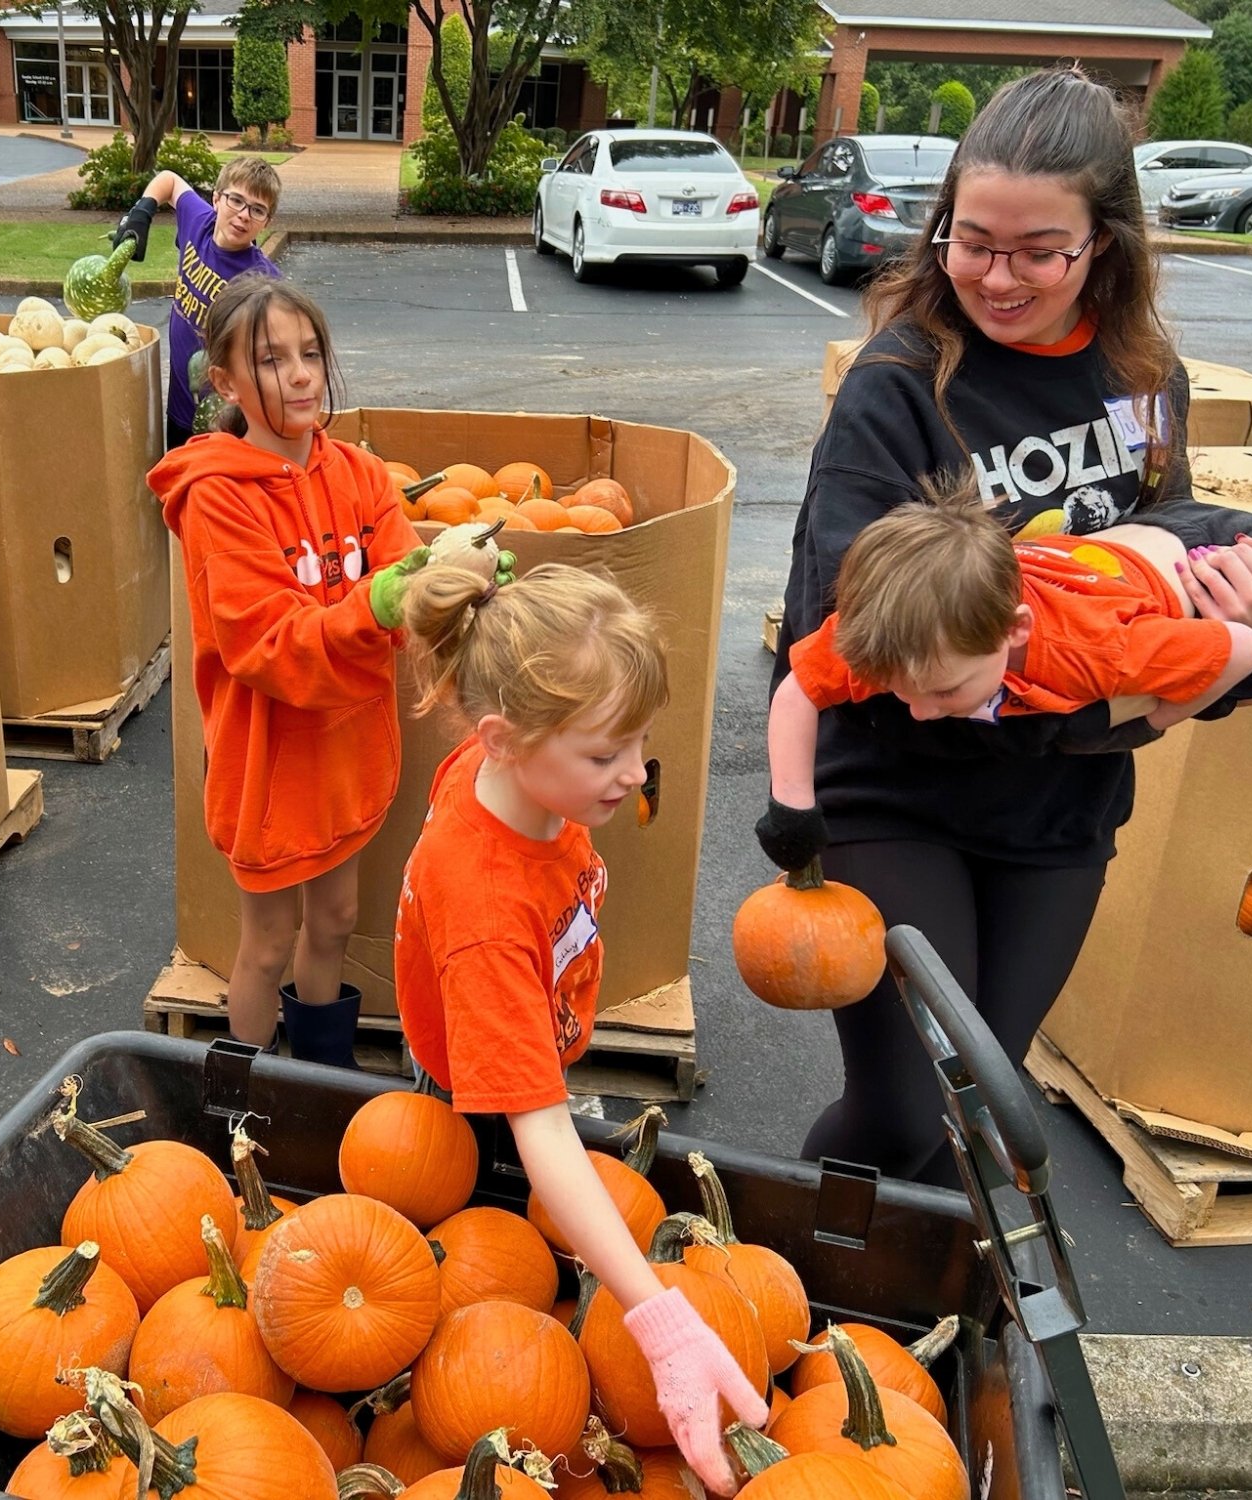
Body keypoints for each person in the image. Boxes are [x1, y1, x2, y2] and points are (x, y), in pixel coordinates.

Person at [761, 65, 1252, 1185]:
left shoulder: (1143, 376)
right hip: (897, 788)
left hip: (1059, 813)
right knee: (908, 1101)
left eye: (1039, 251)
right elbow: (838, 628)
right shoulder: (901, 385)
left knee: (984, 1097)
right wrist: (1111, 696)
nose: (998, 275)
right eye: (972, 241)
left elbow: (1166, 564)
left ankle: (907, 1312)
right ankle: (792, 1293)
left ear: (1104, 246)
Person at [394, 563, 768, 1495]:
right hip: (472, 1086)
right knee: (496, 1240)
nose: (636, 775)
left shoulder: (502, 779)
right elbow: (540, 1127)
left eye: (639, 743)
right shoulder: (485, 913)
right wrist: (657, 1313)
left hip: (523, 1023)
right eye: (606, 756)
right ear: (505, 742)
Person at [149, 275, 425, 1064]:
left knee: (335, 921)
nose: (301, 374)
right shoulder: (217, 499)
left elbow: (405, 565)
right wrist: (376, 605)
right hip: (267, 762)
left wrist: (448, 580)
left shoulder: (361, 474)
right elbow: (263, 642)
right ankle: (248, 1106)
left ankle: (322, 1081)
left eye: (310, 353)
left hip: (348, 749)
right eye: (272, 360)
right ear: (226, 382)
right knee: (268, 941)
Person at [768, 475, 1252, 815]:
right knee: (1204, 673)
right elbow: (799, 690)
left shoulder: (1094, 655)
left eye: (943, 692)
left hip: (1231, 564)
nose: (922, 711)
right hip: (1132, 562)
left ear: (1012, 629)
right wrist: (791, 809)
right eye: (903, 693)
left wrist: (1158, 716)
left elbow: (1239, 648)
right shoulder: (898, 628)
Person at [115, 156, 282, 452]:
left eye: (257, 210)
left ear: (266, 222)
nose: (244, 215)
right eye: (236, 200)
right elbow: (169, 179)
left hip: (224, 422)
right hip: (179, 400)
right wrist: (141, 212)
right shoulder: (198, 223)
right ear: (216, 199)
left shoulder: (263, 283)